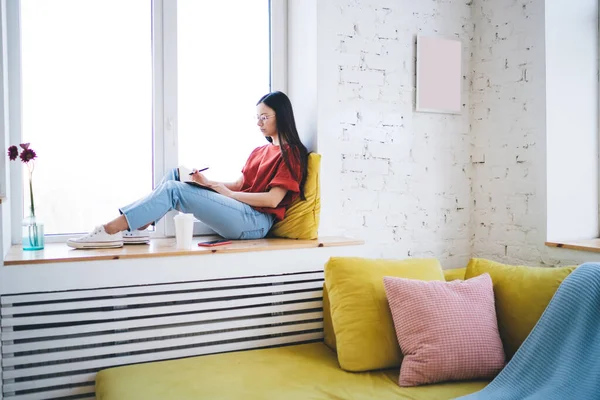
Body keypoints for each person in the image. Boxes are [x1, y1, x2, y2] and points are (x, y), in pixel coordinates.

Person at [67, 91, 308, 249]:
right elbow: (238, 184)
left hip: (255, 222)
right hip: (242, 211)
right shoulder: (259, 151)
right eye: (257, 117)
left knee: (174, 190)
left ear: (282, 116)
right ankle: (137, 229)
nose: (259, 123)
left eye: (264, 116)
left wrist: (230, 195)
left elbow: (274, 199)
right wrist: (207, 183)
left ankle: (110, 231)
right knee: (176, 175)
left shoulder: (292, 153)